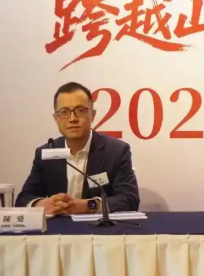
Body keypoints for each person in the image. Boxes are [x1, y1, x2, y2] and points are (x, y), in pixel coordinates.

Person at [15, 82, 140, 215]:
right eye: (64, 112)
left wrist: (88, 205)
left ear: (92, 115)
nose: (72, 119)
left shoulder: (116, 151)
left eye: (80, 111)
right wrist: (42, 204)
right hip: (57, 227)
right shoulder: (46, 153)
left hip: (98, 227)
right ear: (56, 118)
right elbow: (23, 199)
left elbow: (129, 200)